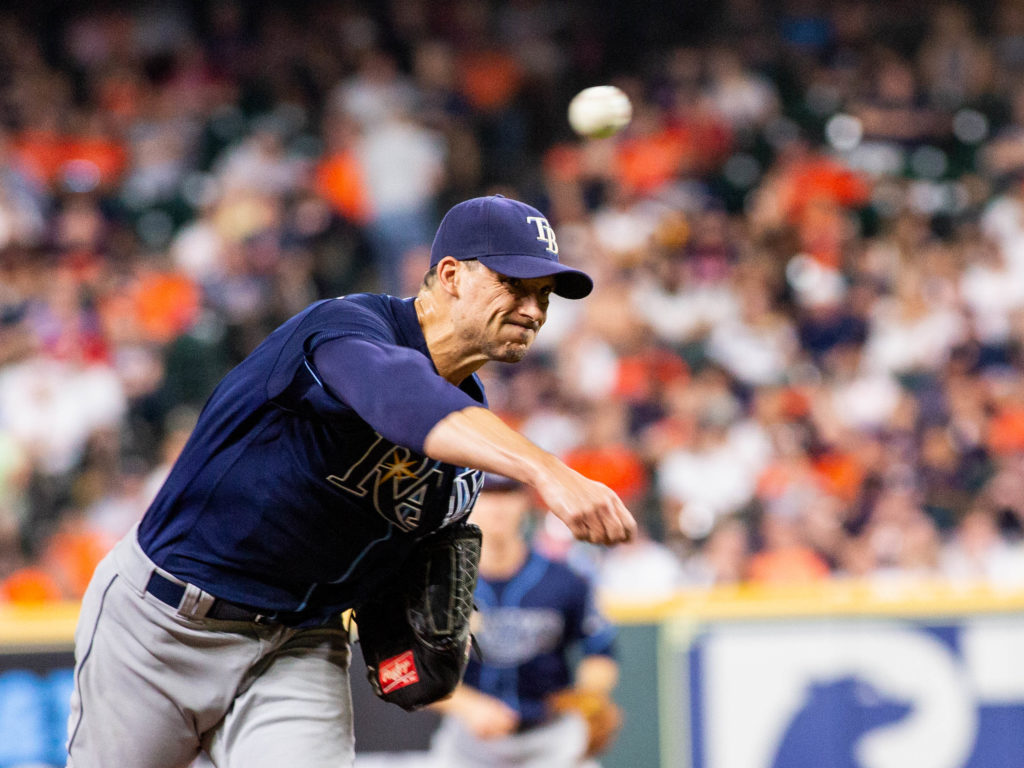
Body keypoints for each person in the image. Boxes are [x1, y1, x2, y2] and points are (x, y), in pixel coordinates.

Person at [65, 194, 636, 768]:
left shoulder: (467, 450)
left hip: (297, 643)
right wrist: (546, 469)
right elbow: (399, 395)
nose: (534, 310)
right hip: (163, 621)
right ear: (451, 275)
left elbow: (404, 571)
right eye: (514, 285)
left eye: (544, 295)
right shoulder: (345, 329)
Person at [430, 473, 621, 768]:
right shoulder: (439, 582)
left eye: (508, 494)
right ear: (468, 503)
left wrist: (587, 695)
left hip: (551, 734)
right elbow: (410, 667)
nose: (499, 507)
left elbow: (600, 651)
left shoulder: (565, 580)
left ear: (525, 502)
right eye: (488, 495)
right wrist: (467, 705)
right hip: (469, 738)